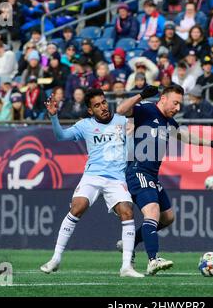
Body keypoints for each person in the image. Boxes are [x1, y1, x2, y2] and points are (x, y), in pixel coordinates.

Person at [116, 85, 213, 275]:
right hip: (137, 170)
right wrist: (140, 95)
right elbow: (121, 110)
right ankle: (153, 259)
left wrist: (211, 143)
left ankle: (130, 242)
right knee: (152, 211)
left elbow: (183, 135)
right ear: (163, 99)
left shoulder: (168, 121)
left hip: (152, 175)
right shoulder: (146, 109)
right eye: (175, 103)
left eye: (180, 103)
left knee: (168, 217)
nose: (178, 108)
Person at [40, 88, 144, 278]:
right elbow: (61, 137)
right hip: (92, 176)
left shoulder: (122, 121)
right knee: (77, 207)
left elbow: (133, 141)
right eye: (97, 105)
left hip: (116, 178)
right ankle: (55, 259)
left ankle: (126, 267)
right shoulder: (84, 125)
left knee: (127, 211)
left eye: (104, 102)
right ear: (90, 110)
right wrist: (54, 117)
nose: (103, 107)